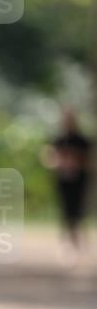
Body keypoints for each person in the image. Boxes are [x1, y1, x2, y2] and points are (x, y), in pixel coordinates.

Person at [41, 107, 94, 261]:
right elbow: (48, 157)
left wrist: (77, 164)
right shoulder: (58, 139)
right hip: (63, 181)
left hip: (80, 181)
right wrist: (60, 163)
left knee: (78, 210)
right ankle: (67, 243)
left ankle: (78, 241)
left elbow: (90, 161)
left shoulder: (83, 141)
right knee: (65, 210)